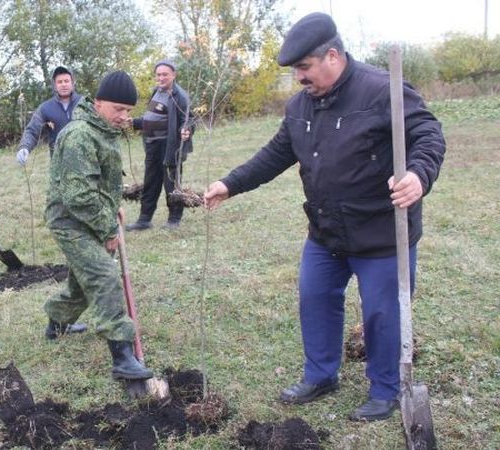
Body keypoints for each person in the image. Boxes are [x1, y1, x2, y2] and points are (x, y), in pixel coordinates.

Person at [204, 13, 445, 422]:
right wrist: (230, 183)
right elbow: (277, 153)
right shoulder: (300, 105)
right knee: (315, 298)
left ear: (332, 55)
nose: (298, 77)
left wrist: (418, 175)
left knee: (382, 313)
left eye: (304, 67)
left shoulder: (381, 90)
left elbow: (427, 133)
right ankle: (321, 376)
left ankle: (385, 389)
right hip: (326, 232)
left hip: (380, 232)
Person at [45, 70, 153, 381]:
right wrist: (107, 229)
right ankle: (122, 356)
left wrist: (112, 205)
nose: (124, 117)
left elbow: (99, 180)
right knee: (104, 276)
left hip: (92, 214)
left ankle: (57, 321)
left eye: (129, 111)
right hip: (70, 221)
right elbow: (78, 196)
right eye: (119, 109)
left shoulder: (103, 130)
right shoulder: (80, 135)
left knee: (84, 280)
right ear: (99, 103)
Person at [126, 59, 194, 231]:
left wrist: (187, 129)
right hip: (152, 146)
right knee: (151, 182)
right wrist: (133, 122)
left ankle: (174, 219)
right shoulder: (156, 92)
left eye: (165, 74)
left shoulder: (180, 95)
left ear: (174, 75)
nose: (161, 78)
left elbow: (189, 119)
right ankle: (144, 220)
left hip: (169, 146)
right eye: (158, 74)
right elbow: (151, 118)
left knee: (171, 182)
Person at [16, 65, 84, 165]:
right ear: (55, 85)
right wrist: (24, 148)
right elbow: (32, 131)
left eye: (66, 81)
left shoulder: (84, 103)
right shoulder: (45, 108)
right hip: (59, 164)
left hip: (84, 161)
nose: (63, 84)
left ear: (72, 83)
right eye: (59, 82)